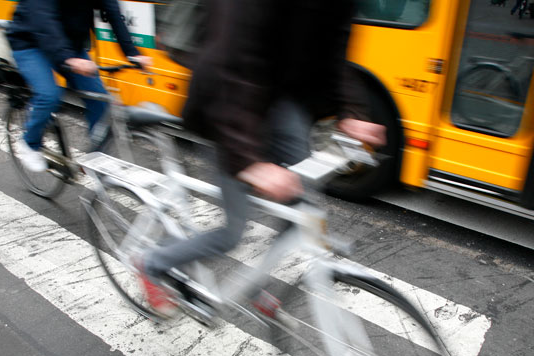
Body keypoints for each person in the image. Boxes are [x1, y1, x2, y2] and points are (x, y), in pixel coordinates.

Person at [136, 0, 387, 318]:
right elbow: (229, 61)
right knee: (231, 233)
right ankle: (151, 263)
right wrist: (248, 161)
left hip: (280, 101)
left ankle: (255, 282)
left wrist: (352, 113)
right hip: (227, 103)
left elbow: (334, 50)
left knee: (302, 209)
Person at [7, 0, 150, 172]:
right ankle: (30, 143)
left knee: (101, 101)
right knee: (49, 95)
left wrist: (132, 53)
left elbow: (113, 11)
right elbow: (43, 19)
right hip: (31, 43)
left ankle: (96, 157)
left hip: (70, 45)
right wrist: (67, 58)